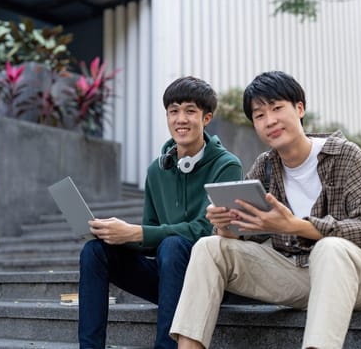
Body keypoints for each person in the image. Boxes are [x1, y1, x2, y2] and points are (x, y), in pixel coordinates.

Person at [169, 71, 361, 349]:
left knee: (330, 248)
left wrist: (293, 226)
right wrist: (226, 224)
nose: (270, 120)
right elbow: (241, 235)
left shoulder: (344, 154)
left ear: (299, 108)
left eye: (277, 108)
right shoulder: (265, 166)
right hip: (297, 275)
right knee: (208, 247)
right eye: (260, 115)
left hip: (360, 278)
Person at [78, 76, 243, 349]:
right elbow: (150, 234)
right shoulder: (157, 170)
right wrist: (115, 235)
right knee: (94, 251)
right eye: (173, 111)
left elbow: (206, 230)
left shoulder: (227, 165)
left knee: (173, 244)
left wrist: (137, 232)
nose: (181, 118)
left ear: (206, 118)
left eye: (190, 111)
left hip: (208, 281)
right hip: (168, 277)